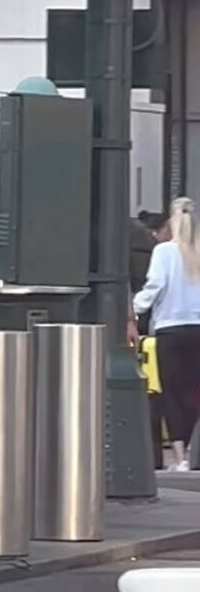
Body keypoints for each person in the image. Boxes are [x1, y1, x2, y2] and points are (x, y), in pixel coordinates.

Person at [134, 197, 200, 471]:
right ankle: (196, 450)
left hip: (170, 330)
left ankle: (180, 456)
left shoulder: (163, 251)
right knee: (195, 390)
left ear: (172, 221)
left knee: (171, 392)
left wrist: (134, 307)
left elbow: (155, 287)